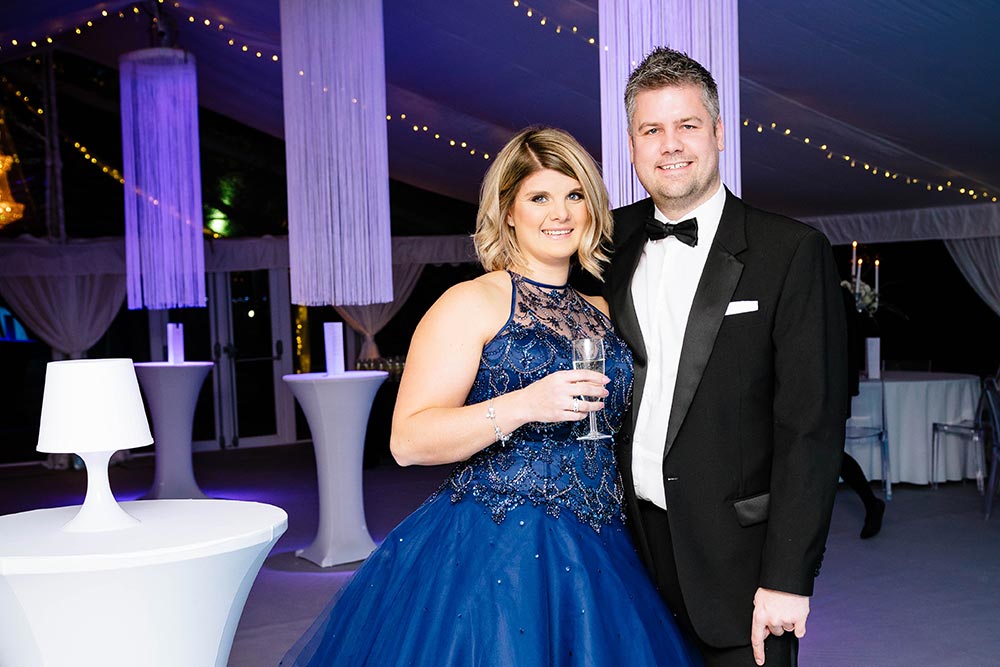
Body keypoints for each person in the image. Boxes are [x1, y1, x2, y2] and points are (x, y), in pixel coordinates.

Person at [281, 127, 699, 666]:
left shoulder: (604, 308)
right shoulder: (471, 302)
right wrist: (525, 405)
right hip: (498, 547)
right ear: (507, 212)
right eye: (539, 197)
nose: (561, 213)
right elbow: (407, 441)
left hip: (607, 542)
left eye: (574, 195)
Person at [604, 47, 848, 667]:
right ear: (631, 146)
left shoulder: (790, 251)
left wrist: (788, 576)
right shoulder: (606, 242)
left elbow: (811, 428)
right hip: (628, 555)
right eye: (651, 130)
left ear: (718, 132)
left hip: (742, 568)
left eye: (687, 125)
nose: (670, 145)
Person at [840, 284, 886, 539]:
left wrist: (846, 390)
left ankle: (872, 504)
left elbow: (850, 344)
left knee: (831, 453)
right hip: (803, 387)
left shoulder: (840, 294)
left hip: (832, 390)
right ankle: (872, 504)